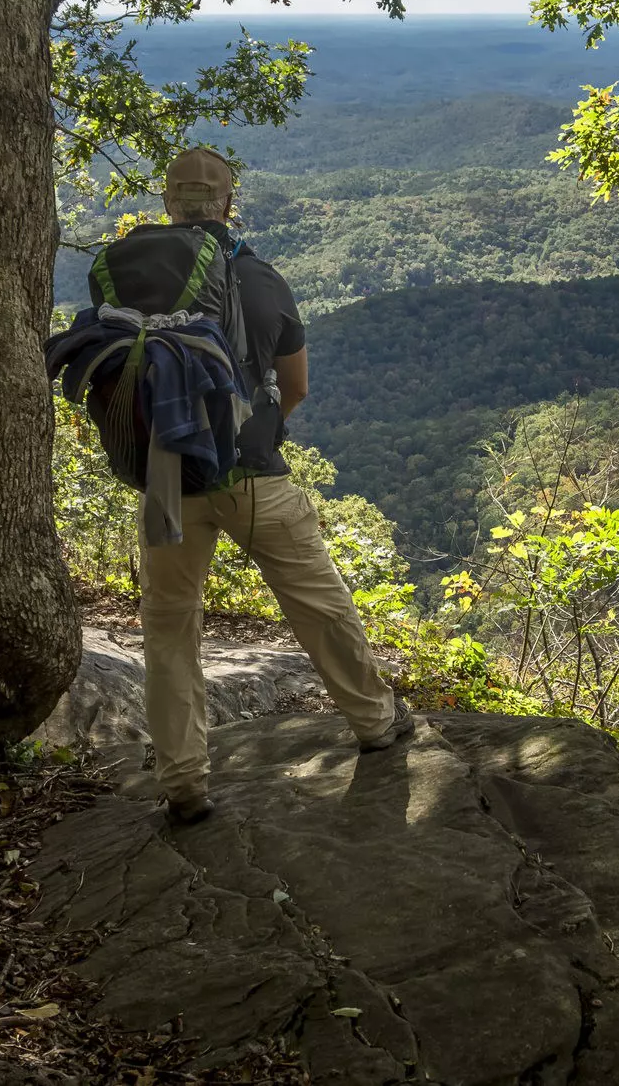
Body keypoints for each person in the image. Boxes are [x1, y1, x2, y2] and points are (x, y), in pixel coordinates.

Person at [138, 146, 414, 824]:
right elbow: (296, 386)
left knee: (170, 627)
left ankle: (182, 779)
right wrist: (255, 431)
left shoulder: (133, 276)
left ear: (169, 202)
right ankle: (376, 721)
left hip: (166, 479)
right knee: (317, 601)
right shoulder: (260, 279)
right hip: (254, 474)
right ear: (228, 205)